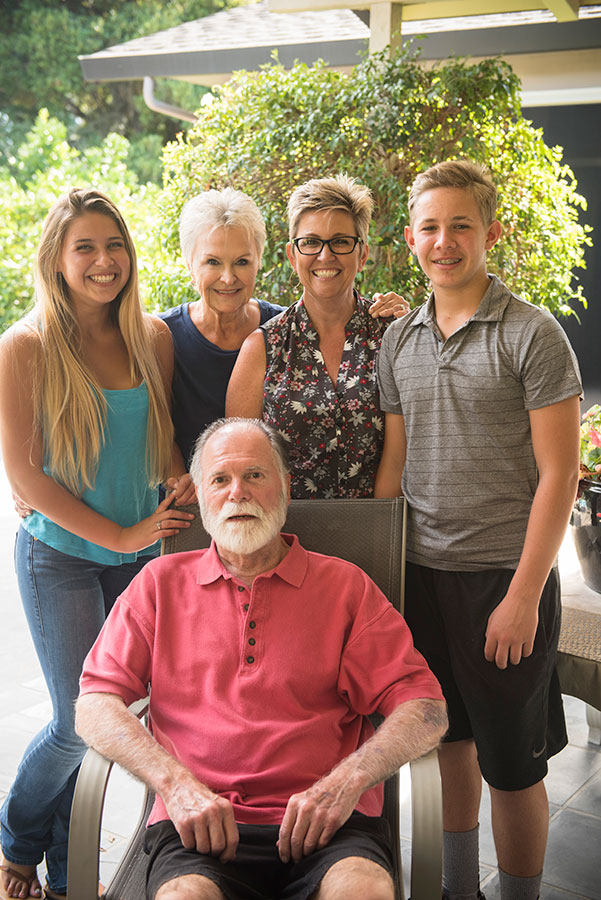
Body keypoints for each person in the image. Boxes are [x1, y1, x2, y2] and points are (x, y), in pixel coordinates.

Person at [75, 418, 448, 900]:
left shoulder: (345, 588)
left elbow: (426, 709)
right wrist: (175, 785)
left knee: (364, 892)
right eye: (220, 479)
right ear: (204, 499)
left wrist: (348, 781)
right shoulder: (158, 585)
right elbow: (94, 703)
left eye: (255, 475)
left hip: (328, 825)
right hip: (199, 829)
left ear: (286, 489)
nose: (238, 493)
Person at [375, 160, 582, 900]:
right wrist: (384, 582)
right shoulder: (398, 340)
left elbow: (560, 474)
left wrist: (524, 596)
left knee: (511, 764)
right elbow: (394, 466)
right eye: (429, 227)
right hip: (422, 580)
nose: (443, 241)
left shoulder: (532, 334)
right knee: (444, 743)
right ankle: (458, 889)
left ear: (489, 232)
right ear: (409, 239)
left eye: (459, 225)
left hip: (505, 583)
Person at [0, 189, 195, 900]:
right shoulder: (24, 346)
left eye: (114, 245)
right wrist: (118, 532)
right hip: (60, 557)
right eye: (85, 247)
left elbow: (160, 434)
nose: (103, 260)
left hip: (140, 560)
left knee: (112, 717)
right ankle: (17, 837)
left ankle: (64, 873)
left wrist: (178, 479)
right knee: (77, 725)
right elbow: (24, 475)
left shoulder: (153, 337)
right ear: (56, 257)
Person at [226, 175, 410, 498]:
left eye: (340, 241)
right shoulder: (262, 348)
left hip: (375, 531)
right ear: (292, 255)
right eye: (310, 242)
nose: (325, 256)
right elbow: (241, 465)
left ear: (362, 253)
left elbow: (402, 457)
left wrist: (380, 539)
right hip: (285, 538)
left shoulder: (390, 337)